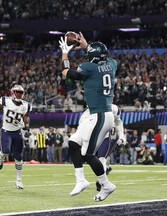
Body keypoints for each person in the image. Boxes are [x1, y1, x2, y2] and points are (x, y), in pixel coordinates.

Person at [59, 32, 117, 201]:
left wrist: (64, 52)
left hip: (100, 115)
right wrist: (87, 47)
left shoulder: (88, 67)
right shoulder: (112, 64)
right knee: (73, 143)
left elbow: (66, 72)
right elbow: (100, 58)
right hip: (97, 114)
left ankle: (106, 185)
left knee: (88, 154)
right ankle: (81, 180)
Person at [0, 84, 32, 189]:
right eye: (17, 92)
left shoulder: (26, 105)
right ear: (12, 93)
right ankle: (1, 157)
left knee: (18, 157)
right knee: (6, 150)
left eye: (21, 93)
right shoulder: (5, 101)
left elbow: (26, 117)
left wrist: (26, 127)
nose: (19, 94)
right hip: (6, 130)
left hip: (17, 131)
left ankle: (19, 180)